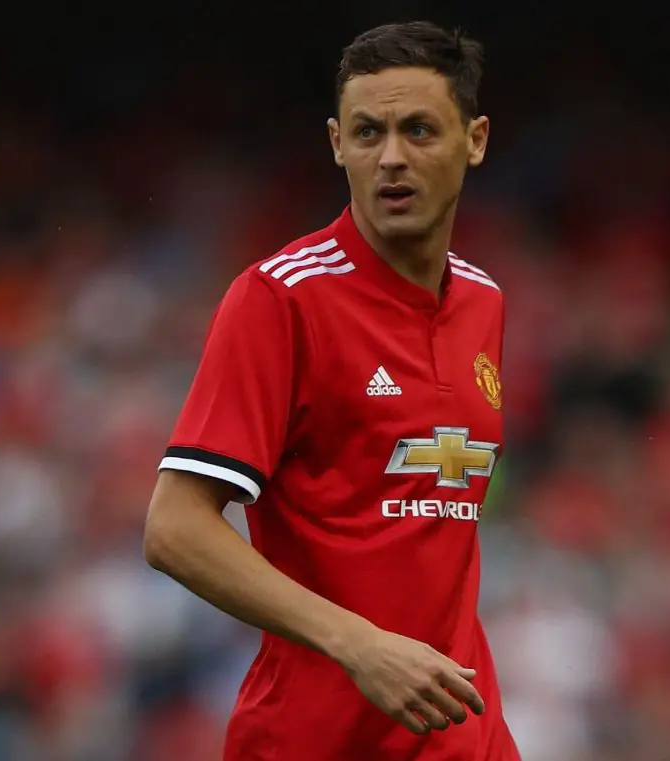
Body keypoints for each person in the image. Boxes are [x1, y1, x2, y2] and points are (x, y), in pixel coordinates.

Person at [142, 21, 521, 761]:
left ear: (474, 140)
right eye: (368, 132)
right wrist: (360, 644)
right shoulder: (281, 299)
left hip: (462, 736)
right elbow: (173, 528)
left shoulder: (485, 301)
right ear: (337, 144)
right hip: (313, 740)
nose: (391, 157)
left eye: (419, 130)